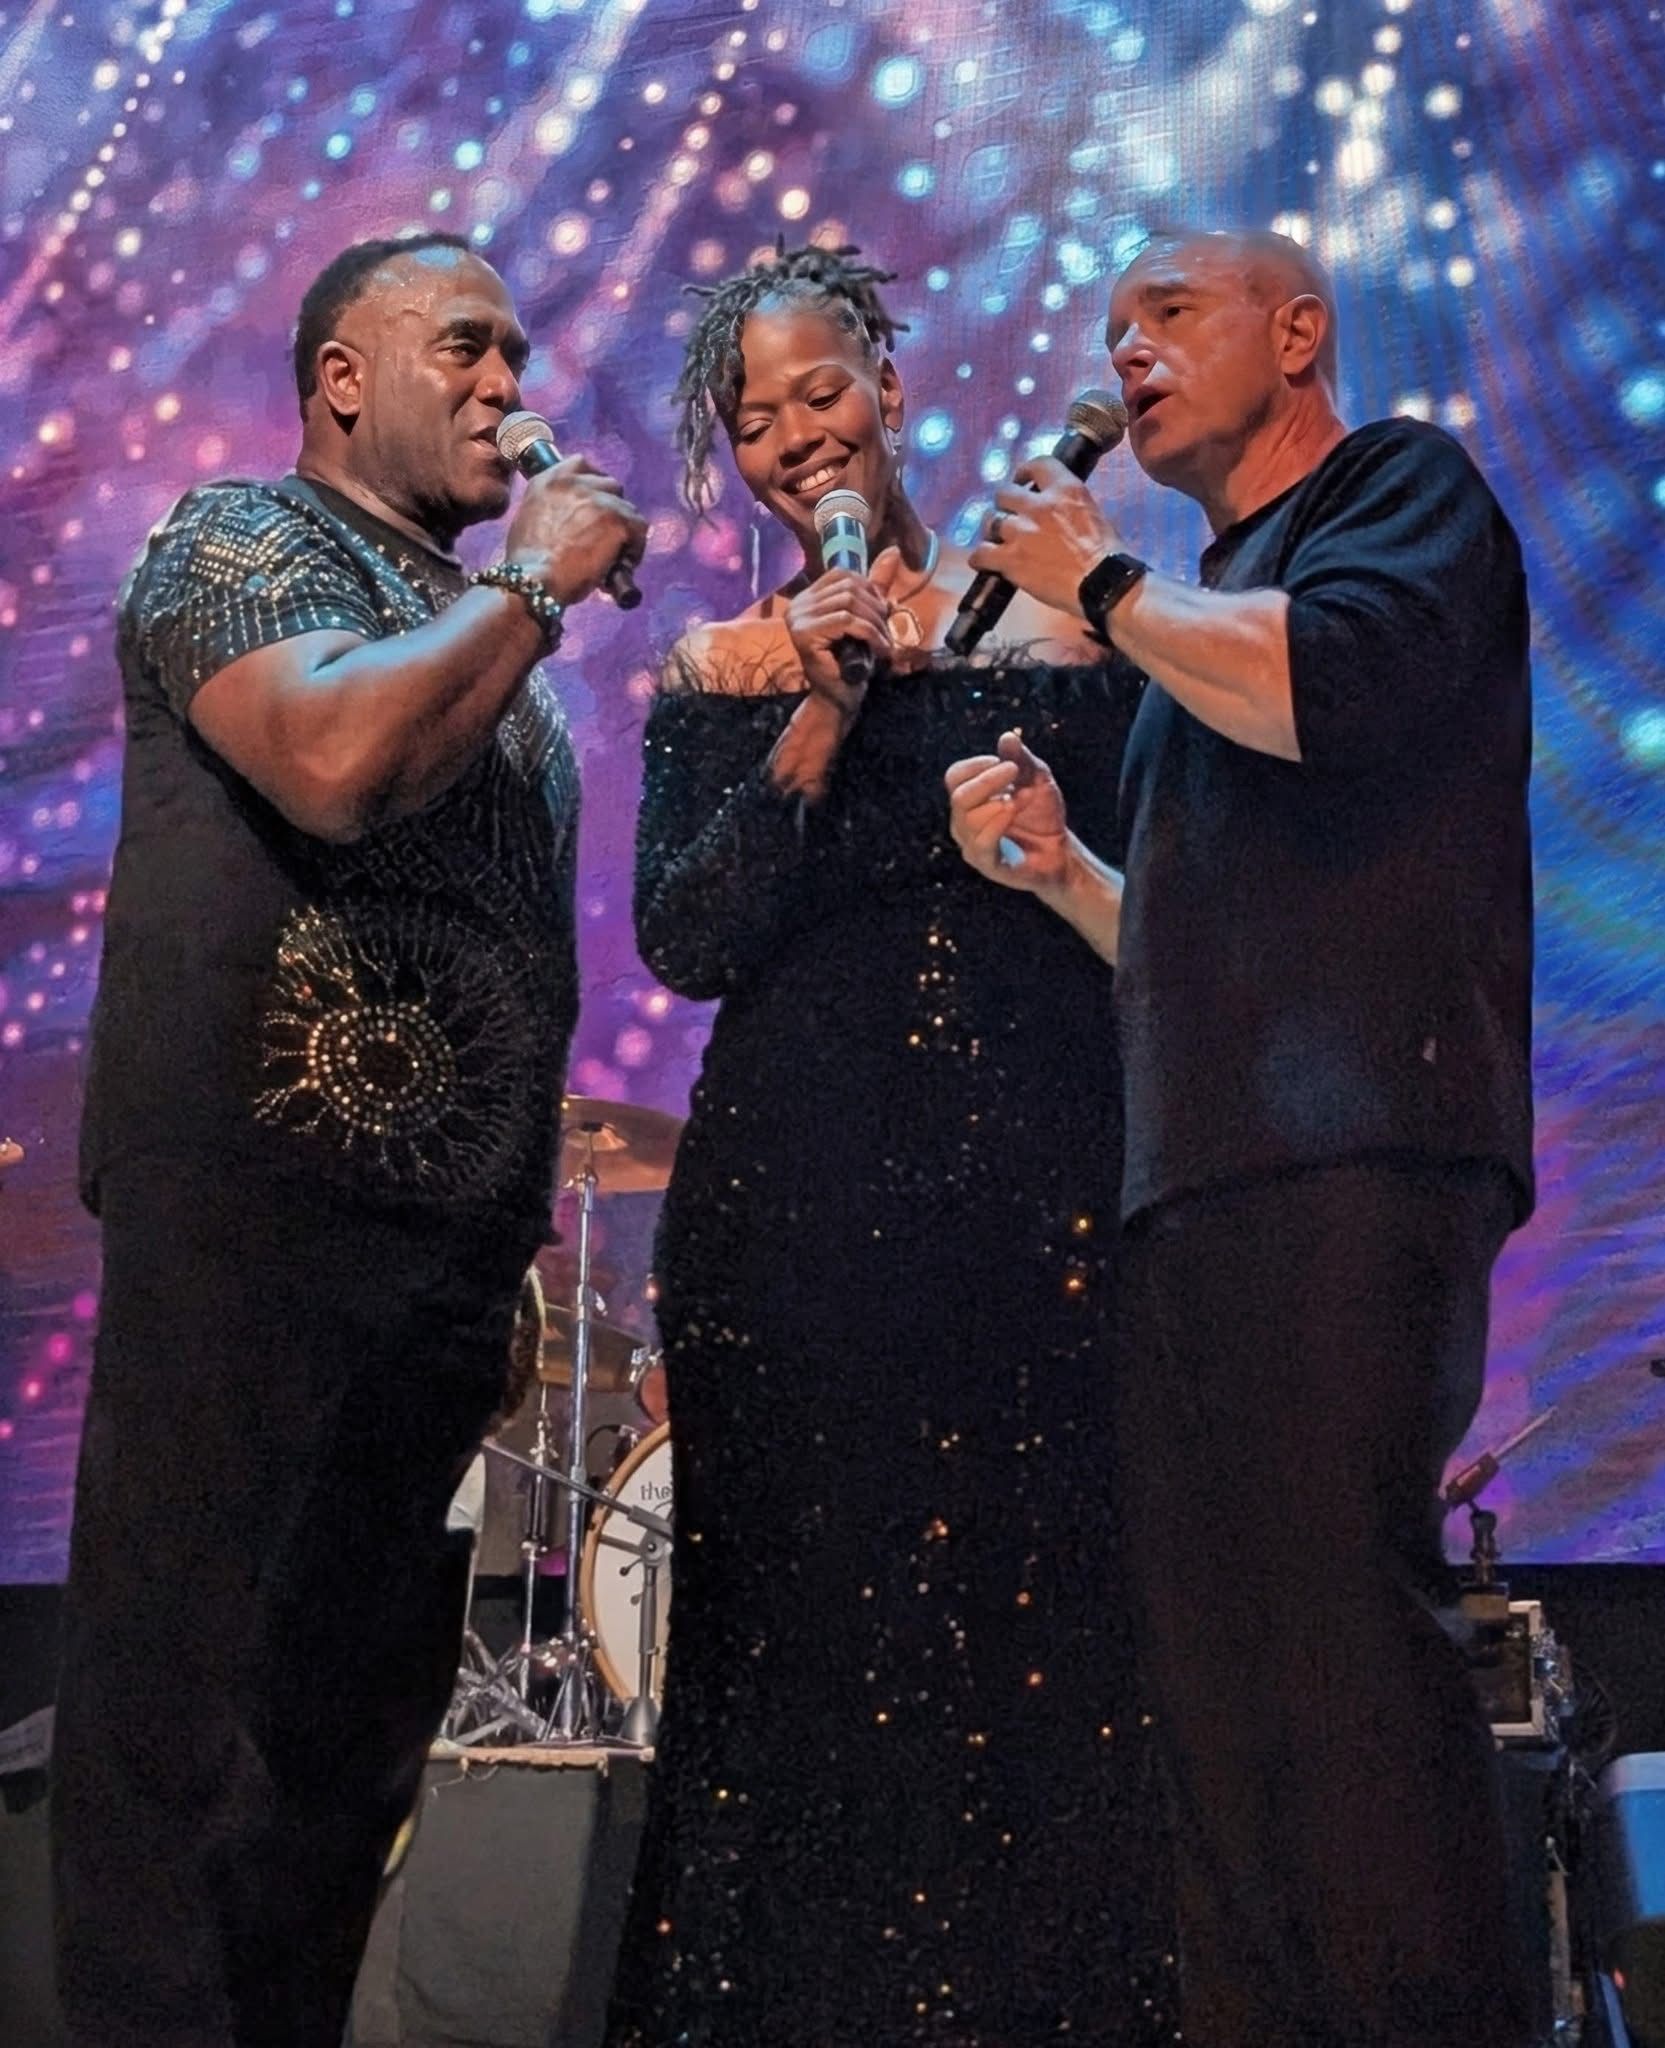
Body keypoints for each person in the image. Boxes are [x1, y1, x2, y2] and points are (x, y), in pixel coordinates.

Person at [54, 231, 646, 2048]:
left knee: (338, 1771)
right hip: (258, 1230)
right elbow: (326, 760)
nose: (508, 386)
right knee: (192, 1742)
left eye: (518, 354)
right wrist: (533, 592)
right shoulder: (239, 541)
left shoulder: (505, 676)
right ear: (341, 376)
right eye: (464, 347)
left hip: (436, 1280)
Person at [946, 227, 1535, 2048]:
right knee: (1216, 1671)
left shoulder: (1395, 489)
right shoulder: (1205, 607)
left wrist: (1102, 586)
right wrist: (1063, 880)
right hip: (1197, 1174)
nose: (1125, 355)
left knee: (1342, 1642)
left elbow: (1335, 687)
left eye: (1166, 317)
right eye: (1108, 329)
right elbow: (1196, 950)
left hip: (1357, 1144)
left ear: (1295, 333)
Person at [603, 243, 1173, 2048]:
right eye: (749, 420)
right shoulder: (726, 664)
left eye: (818, 395)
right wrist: (820, 712)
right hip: (800, 1204)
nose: (790, 441)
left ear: (892, 389)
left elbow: (1179, 894)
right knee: (811, 1636)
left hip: (1047, 1186)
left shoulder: (1065, 617)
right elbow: (689, 942)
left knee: (1050, 1618)